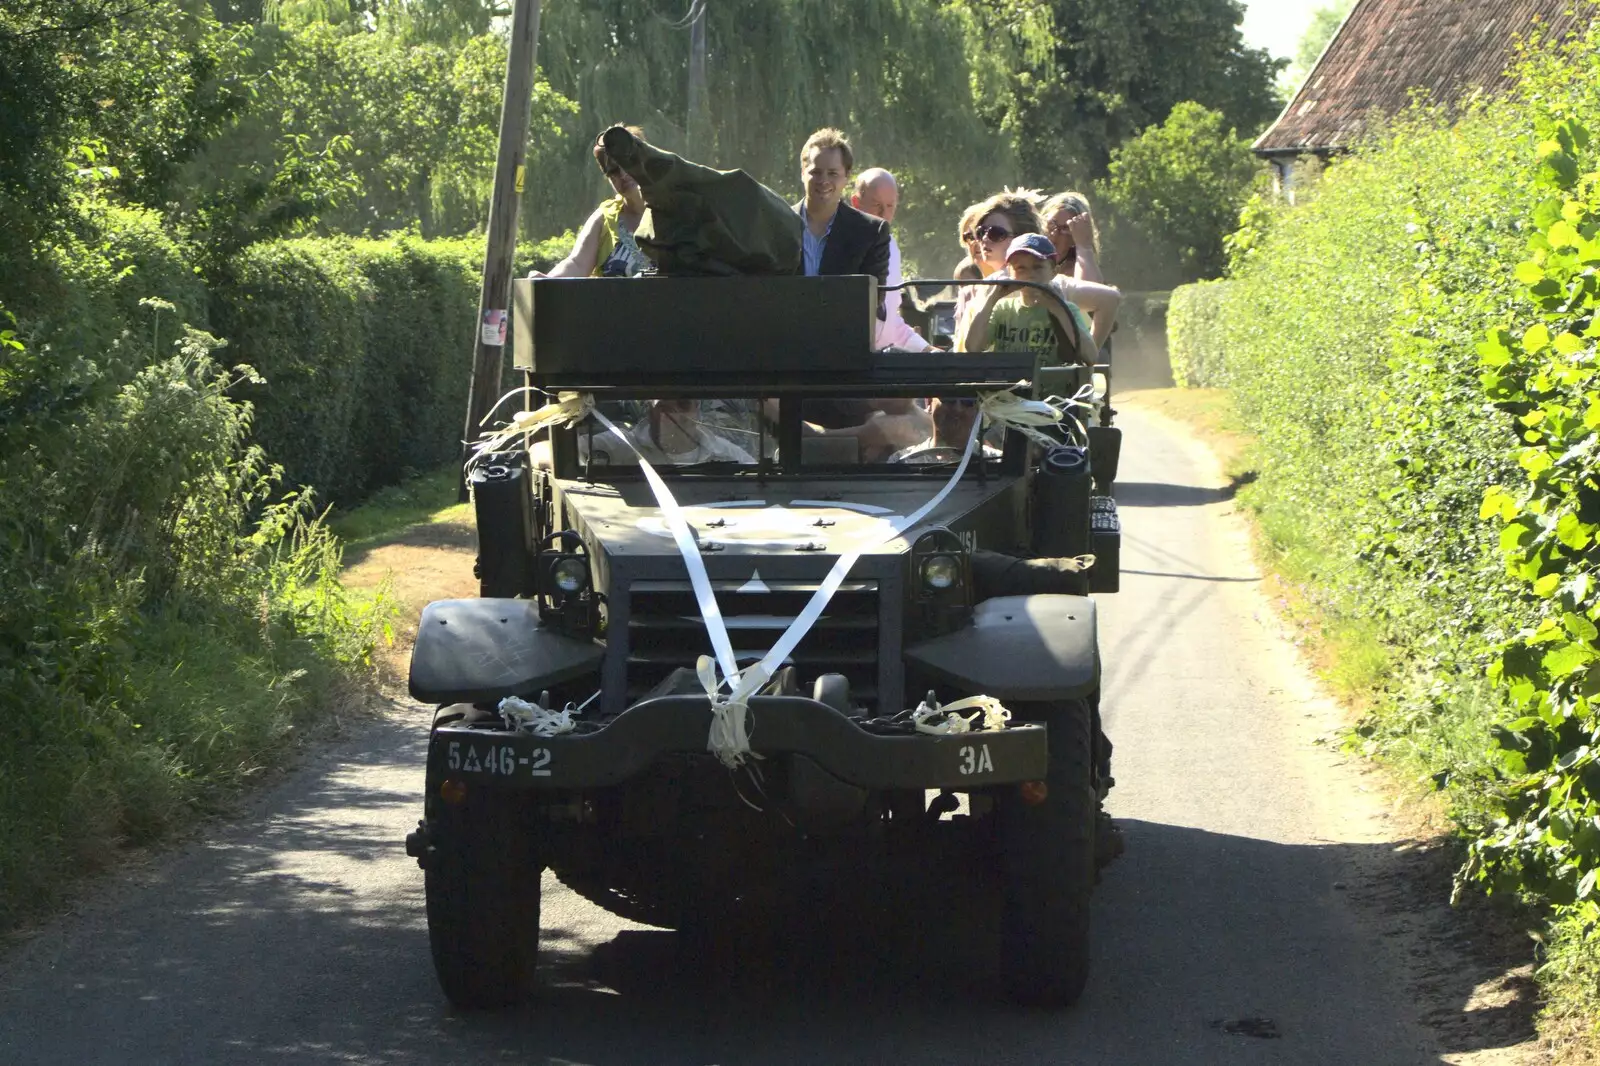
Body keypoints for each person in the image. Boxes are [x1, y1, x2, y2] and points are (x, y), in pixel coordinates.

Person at [957, 233, 1093, 366]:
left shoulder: (1068, 309)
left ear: (1053, 271)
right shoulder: (1002, 309)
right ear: (1009, 272)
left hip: (1050, 387)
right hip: (1008, 387)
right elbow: (973, 347)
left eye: (1038, 267)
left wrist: (1059, 309)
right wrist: (992, 299)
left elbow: (1090, 357)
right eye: (1020, 268)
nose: (1030, 275)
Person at [535, 126, 653, 278]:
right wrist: (546, 281)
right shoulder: (604, 219)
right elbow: (577, 263)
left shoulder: (675, 212)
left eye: (627, 163)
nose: (622, 174)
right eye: (613, 170)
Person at [794, 128, 890, 290]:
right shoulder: (776, 226)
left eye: (833, 173)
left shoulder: (871, 232)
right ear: (803, 173)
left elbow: (873, 300)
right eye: (816, 172)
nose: (823, 180)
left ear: (847, 177)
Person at [850, 167, 931, 351]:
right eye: (876, 205)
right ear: (855, 202)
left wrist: (928, 350)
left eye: (890, 206)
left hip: (880, 368)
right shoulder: (839, 244)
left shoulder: (892, 247)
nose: (884, 214)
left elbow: (890, 322)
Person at [1041, 191, 1121, 348]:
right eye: (1052, 224)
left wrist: (1084, 246)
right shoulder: (1026, 260)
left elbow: (1087, 304)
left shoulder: (1079, 266)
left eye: (1065, 229)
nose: (1054, 234)